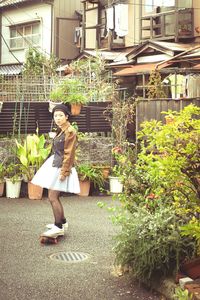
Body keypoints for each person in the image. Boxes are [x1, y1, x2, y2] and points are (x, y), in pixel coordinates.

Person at [31, 104, 80, 238]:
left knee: (52, 197)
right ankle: (62, 222)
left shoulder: (70, 131)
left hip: (61, 167)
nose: (57, 118)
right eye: (55, 115)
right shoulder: (61, 129)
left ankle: (58, 227)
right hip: (56, 164)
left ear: (67, 116)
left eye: (60, 115)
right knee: (54, 196)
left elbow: (69, 154)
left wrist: (64, 173)